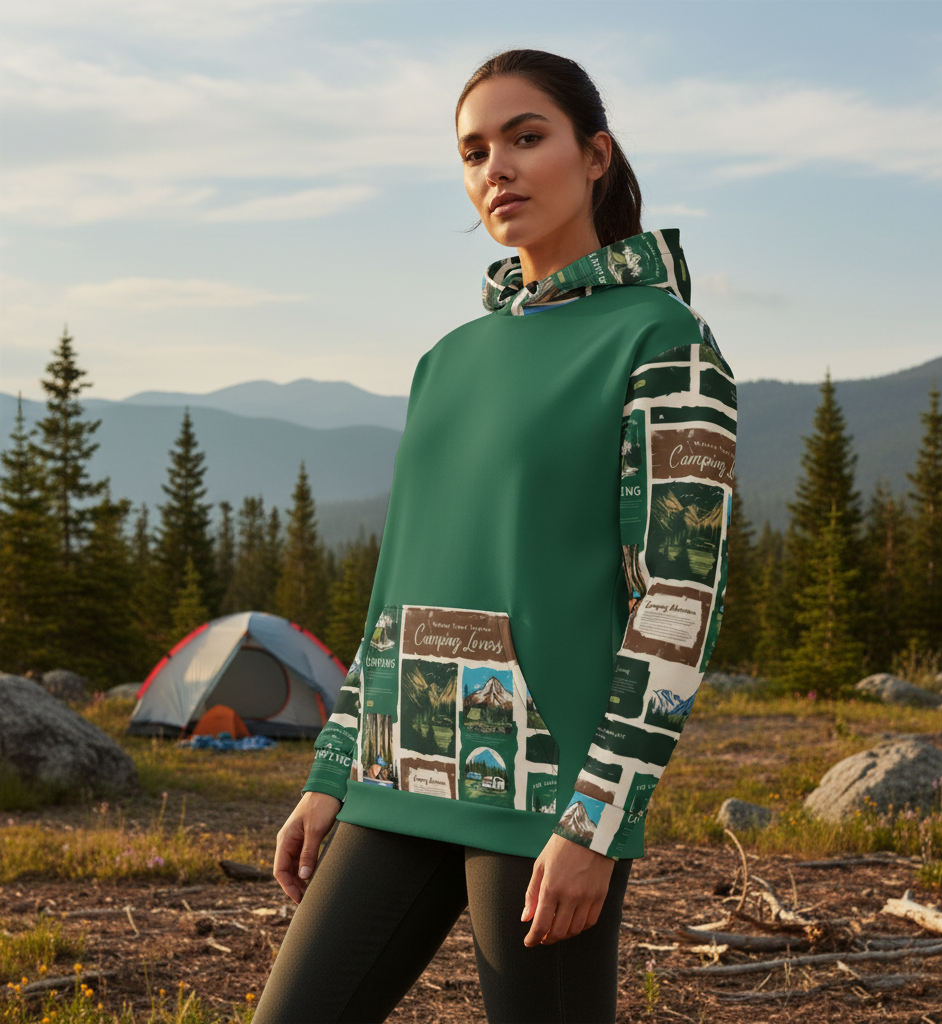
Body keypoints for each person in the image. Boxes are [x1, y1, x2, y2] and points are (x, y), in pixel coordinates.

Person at [254, 48, 736, 1024]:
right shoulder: (447, 360)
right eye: (474, 152)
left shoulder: (664, 343)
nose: (497, 169)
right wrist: (334, 770)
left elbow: (677, 602)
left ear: (594, 155)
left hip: (546, 796)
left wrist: (598, 819)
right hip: (399, 768)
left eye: (526, 137)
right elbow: (400, 589)